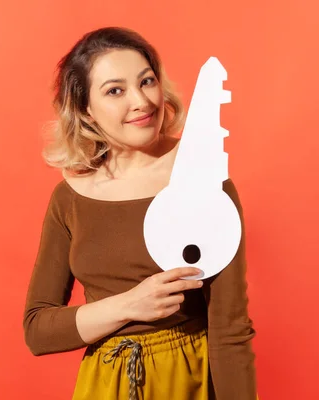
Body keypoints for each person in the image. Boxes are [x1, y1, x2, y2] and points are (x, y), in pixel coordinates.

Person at [23, 26, 258, 400]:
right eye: (115, 90)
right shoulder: (69, 197)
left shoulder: (203, 179)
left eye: (146, 81)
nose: (141, 101)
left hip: (187, 380)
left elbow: (230, 329)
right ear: (86, 108)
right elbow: (38, 330)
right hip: (103, 385)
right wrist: (130, 304)